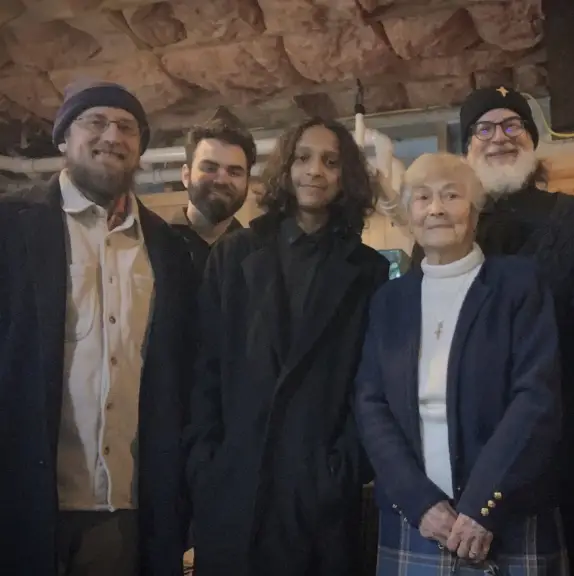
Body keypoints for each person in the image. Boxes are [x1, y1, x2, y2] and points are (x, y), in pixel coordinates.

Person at [413, 86, 574, 575]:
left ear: (532, 138)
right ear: (468, 147)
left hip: (565, 446)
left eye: (512, 125)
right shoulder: (445, 229)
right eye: (484, 128)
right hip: (461, 456)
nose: (499, 138)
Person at [0, 81, 196, 576]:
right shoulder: (9, 229)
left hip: (124, 510)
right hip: (21, 497)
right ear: (64, 138)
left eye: (127, 127)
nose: (113, 135)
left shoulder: (171, 252)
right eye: (95, 122)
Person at [186, 117, 391, 576]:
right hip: (233, 482)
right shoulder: (235, 252)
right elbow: (206, 366)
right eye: (302, 158)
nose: (314, 171)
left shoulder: (369, 271)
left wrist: (342, 468)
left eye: (331, 161)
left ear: (346, 176)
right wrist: (206, 462)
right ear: (285, 168)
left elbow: (370, 380)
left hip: (318, 489)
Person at [356, 152, 566, 575]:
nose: (436, 208)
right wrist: (420, 503)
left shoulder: (519, 283)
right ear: (409, 212)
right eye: (422, 197)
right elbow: (370, 403)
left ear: (474, 210)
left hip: (509, 513)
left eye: (451, 196)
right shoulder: (389, 301)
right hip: (415, 520)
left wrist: (481, 506)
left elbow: (536, 397)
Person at [170, 119, 257, 278]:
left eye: (234, 172)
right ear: (186, 175)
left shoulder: (258, 257)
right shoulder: (153, 246)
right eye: (210, 168)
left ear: (247, 183)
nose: (222, 180)